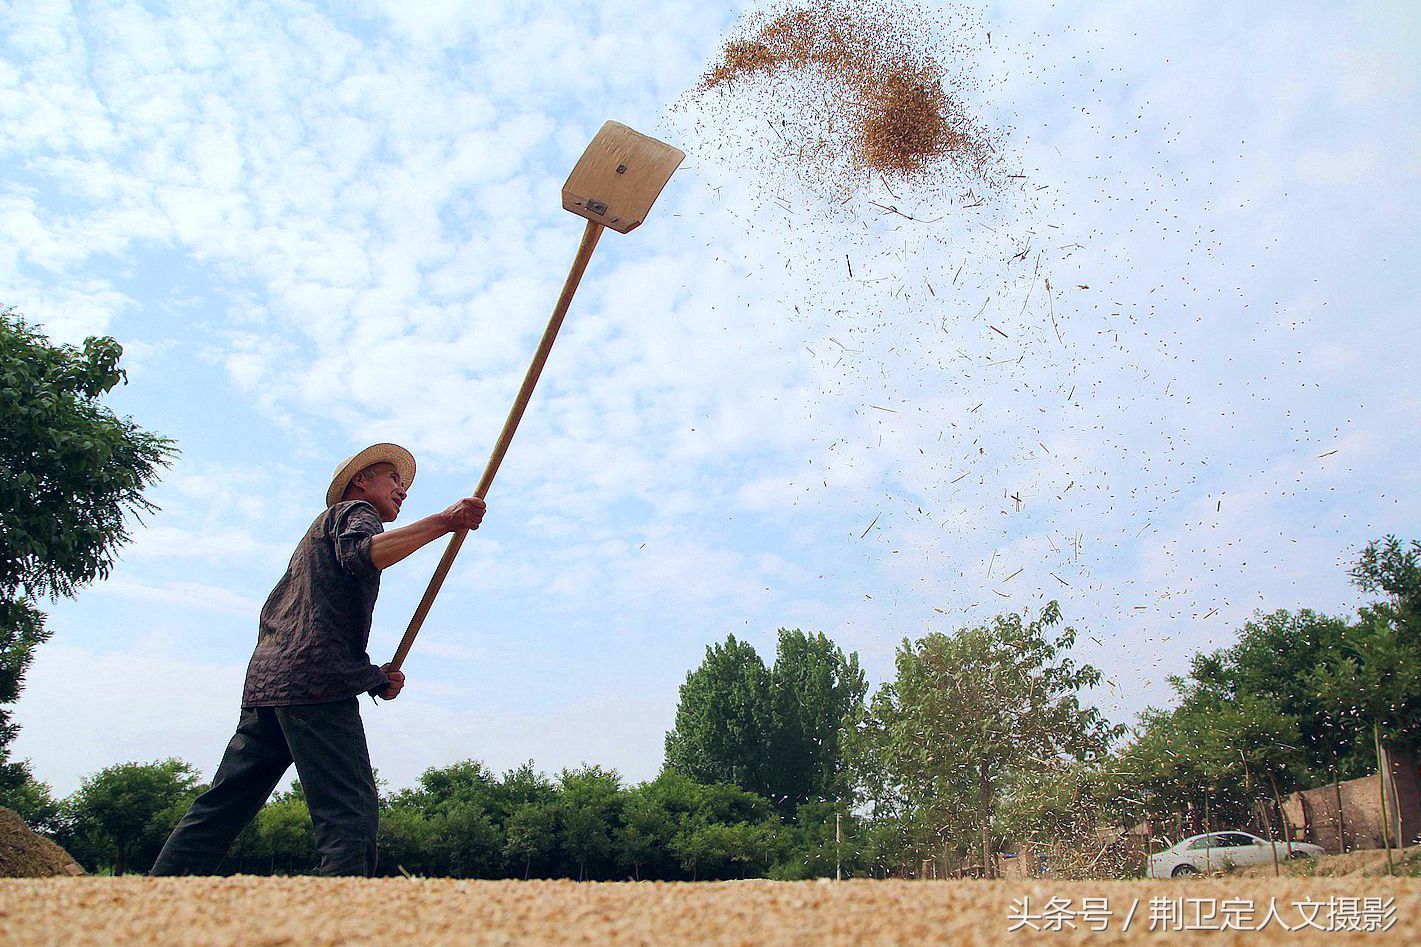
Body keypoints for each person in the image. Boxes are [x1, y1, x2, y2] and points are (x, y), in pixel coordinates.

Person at [150, 443, 485, 876]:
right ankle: (339, 924)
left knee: (223, 807)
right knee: (349, 815)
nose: (403, 490)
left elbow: (309, 626)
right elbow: (362, 556)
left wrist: (371, 677)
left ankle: (153, 898)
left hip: (269, 685)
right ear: (361, 481)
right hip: (315, 689)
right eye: (393, 479)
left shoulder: (316, 536)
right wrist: (445, 521)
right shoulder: (354, 512)